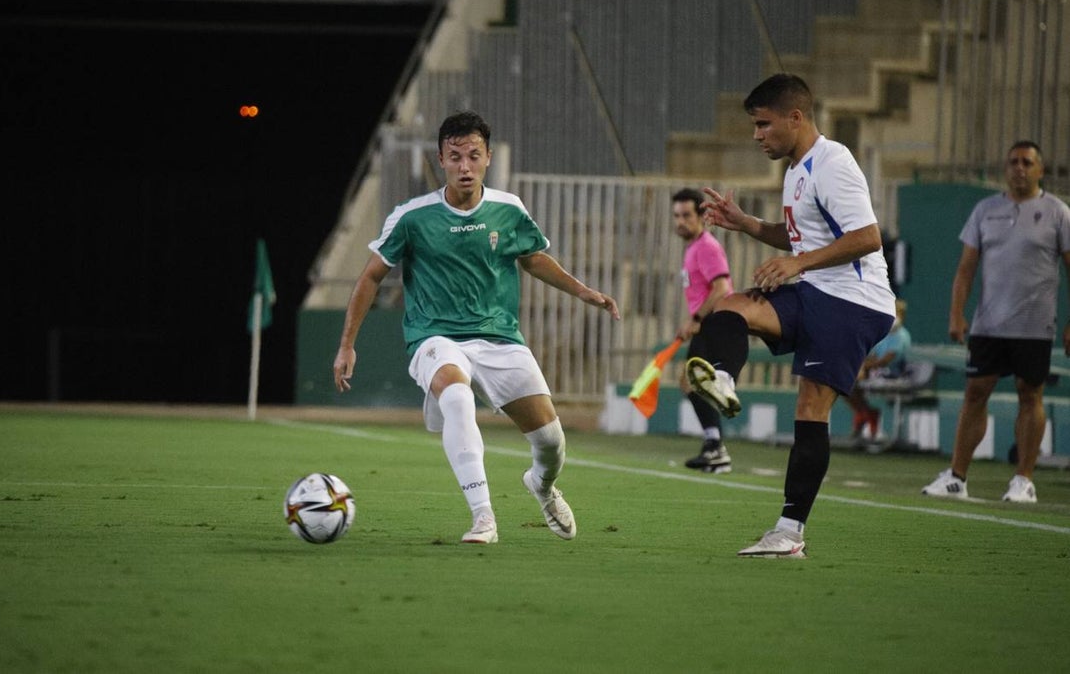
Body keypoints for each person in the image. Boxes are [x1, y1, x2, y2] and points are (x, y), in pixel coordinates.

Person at [332, 110, 620, 544]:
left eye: (473, 155)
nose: (464, 166)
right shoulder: (412, 217)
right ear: (440, 161)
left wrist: (582, 291)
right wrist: (347, 344)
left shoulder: (508, 209)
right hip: (436, 336)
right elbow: (371, 275)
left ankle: (541, 485)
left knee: (551, 443)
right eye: (454, 157)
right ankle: (483, 516)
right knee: (458, 396)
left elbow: (532, 257)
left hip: (500, 339)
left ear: (487, 158)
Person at [685, 73, 896, 558]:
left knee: (810, 409)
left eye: (763, 124)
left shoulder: (833, 162)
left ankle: (788, 533)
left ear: (795, 118)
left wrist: (798, 263)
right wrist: (748, 225)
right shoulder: (797, 170)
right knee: (727, 308)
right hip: (817, 289)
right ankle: (723, 378)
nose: (757, 135)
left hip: (854, 301)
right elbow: (804, 235)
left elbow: (867, 237)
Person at [921, 141, 1070, 503]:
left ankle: (1024, 480)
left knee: (1029, 394)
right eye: (1013, 162)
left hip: (1035, 326)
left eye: (1027, 162)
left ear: (1040, 170)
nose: (1019, 168)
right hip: (989, 324)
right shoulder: (985, 210)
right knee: (975, 394)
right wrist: (956, 314)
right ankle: (957, 476)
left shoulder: (1058, 213)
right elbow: (966, 269)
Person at [671, 188, 735, 473]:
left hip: (716, 323)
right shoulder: (693, 248)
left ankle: (715, 446)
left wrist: (696, 318)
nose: (680, 221)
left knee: (692, 381)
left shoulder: (707, 246)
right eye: (676, 216)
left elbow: (721, 287)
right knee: (689, 381)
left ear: (700, 216)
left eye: (686, 215)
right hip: (707, 323)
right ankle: (714, 446)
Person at [846, 298, 912, 443]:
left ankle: (866, 415)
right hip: (877, 373)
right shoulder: (883, 334)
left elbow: (886, 360)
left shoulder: (901, 336)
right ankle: (865, 413)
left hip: (894, 375)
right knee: (845, 383)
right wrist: (861, 367)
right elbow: (873, 356)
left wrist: (864, 368)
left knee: (852, 382)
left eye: (898, 313)